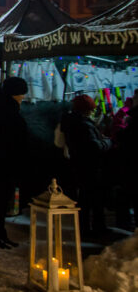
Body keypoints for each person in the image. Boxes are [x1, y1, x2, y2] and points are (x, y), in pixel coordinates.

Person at [0, 77, 29, 248]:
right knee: (0, 200)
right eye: (21, 93)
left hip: (2, 160)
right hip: (6, 161)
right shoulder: (6, 110)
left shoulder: (1, 107)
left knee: (1, 199)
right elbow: (11, 137)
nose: (23, 97)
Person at [59, 94, 113, 235]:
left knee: (84, 198)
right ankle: (94, 227)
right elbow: (94, 147)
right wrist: (107, 142)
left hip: (79, 164)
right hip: (90, 165)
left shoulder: (72, 122)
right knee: (92, 197)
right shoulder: (83, 125)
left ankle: (84, 226)